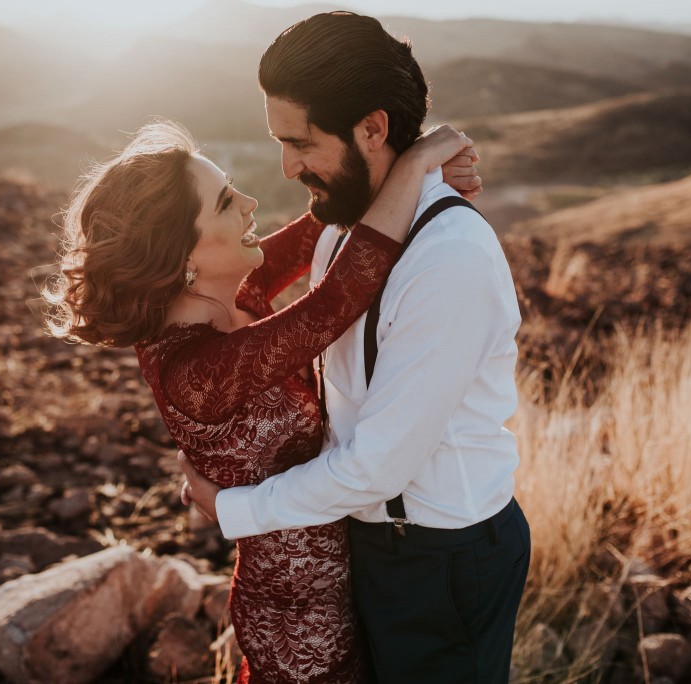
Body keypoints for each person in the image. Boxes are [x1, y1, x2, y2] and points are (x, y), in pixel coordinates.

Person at [44, 118, 479, 682]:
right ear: (182, 255)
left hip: (361, 574)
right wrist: (418, 162)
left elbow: (320, 226)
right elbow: (338, 297)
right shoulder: (193, 370)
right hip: (302, 621)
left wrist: (405, 169)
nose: (250, 202)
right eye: (227, 201)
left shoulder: (231, 287)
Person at [179, 11, 531, 684]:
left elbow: (376, 469)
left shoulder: (449, 258)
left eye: (301, 142)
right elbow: (254, 284)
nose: (286, 167)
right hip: (370, 543)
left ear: (372, 128)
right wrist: (421, 157)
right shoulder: (344, 223)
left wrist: (232, 510)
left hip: (442, 561)